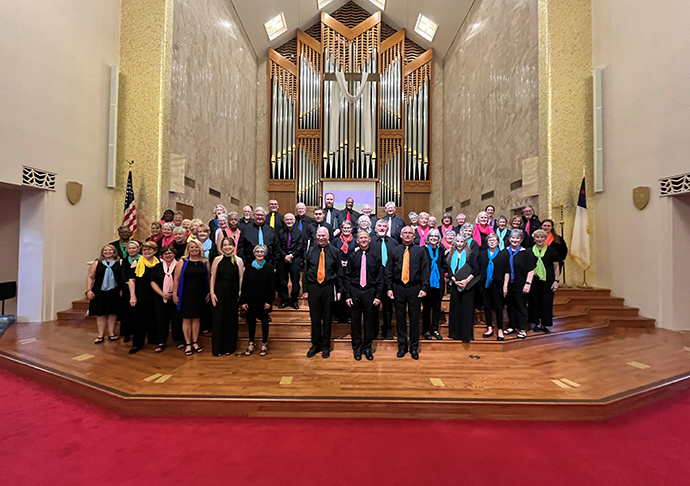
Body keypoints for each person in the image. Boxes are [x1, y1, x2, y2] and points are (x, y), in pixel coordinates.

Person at [384, 226, 430, 359]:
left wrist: (424, 288)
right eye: (405, 233)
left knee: (414, 318)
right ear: (401, 235)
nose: (408, 235)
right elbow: (389, 271)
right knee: (400, 318)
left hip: (415, 288)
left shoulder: (421, 251)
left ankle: (414, 347)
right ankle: (402, 345)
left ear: (414, 236)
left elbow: (425, 271)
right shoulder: (394, 251)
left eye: (410, 233)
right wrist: (389, 288)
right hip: (398, 287)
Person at [303, 227, 343, 359]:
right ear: (316, 236)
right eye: (319, 235)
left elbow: (339, 273)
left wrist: (339, 290)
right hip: (314, 287)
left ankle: (325, 345)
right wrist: (305, 289)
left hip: (328, 287)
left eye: (323, 235)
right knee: (315, 318)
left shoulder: (335, 252)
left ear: (328, 236)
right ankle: (316, 344)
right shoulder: (311, 251)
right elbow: (306, 271)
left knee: (327, 318)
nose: (321, 238)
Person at [343, 231, 383, 361]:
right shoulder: (352, 256)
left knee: (369, 322)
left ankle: (367, 348)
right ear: (358, 241)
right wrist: (348, 295)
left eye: (366, 237)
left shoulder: (376, 256)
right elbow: (347, 276)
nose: (364, 240)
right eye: (361, 238)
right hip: (355, 291)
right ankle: (357, 349)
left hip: (370, 292)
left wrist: (378, 296)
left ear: (370, 239)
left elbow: (380, 278)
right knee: (355, 322)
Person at [173, 239, 210, 355]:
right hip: (185, 294)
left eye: (196, 247)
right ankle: (188, 343)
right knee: (187, 319)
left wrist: (208, 292)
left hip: (199, 294)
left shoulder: (205, 262)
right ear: (188, 249)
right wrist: (174, 294)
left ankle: (195, 342)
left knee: (196, 319)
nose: (194, 249)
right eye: (191, 247)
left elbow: (208, 278)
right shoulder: (182, 262)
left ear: (200, 249)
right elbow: (176, 279)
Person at [210, 237, 244, 356]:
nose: (227, 247)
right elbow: (213, 277)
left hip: (232, 292)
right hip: (219, 291)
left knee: (231, 319)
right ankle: (218, 348)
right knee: (218, 319)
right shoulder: (217, 260)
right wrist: (212, 293)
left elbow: (240, 277)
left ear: (234, 247)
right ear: (221, 247)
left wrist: (240, 293)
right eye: (224, 245)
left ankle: (229, 347)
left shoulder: (239, 260)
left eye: (229, 245)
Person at [239, 244, 274, 356]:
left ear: (265, 254)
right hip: (250, 301)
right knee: (251, 323)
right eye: (257, 251)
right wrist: (243, 301)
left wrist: (269, 301)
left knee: (264, 323)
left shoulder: (269, 268)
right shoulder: (248, 268)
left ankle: (264, 344)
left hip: (264, 302)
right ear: (254, 254)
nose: (259, 254)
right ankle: (251, 343)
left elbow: (272, 287)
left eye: (262, 252)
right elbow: (244, 285)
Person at [127, 241, 160, 354]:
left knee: (153, 318)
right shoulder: (136, 263)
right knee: (138, 320)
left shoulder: (158, 263)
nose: (146, 252)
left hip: (155, 295)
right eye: (144, 250)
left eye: (149, 249)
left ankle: (153, 338)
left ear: (155, 251)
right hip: (140, 295)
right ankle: (137, 343)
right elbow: (131, 280)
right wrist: (132, 296)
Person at [504, 229, 537, 339]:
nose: (514, 240)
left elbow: (531, 270)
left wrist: (528, 283)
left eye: (517, 238)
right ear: (509, 239)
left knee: (521, 306)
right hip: (508, 284)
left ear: (521, 240)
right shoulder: (505, 252)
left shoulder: (526, 253)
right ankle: (512, 326)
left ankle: (522, 328)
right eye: (513, 238)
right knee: (510, 306)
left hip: (521, 284)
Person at [447, 234, 479, 343]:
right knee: (455, 310)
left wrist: (466, 281)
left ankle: (466, 335)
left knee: (466, 311)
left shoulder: (470, 255)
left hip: (468, 287)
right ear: (454, 243)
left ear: (465, 243)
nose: (460, 244)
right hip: (455, 286)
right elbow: (449, 271)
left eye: (462, 241)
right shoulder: (451, 255)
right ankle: (455, 334)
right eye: (458, 241)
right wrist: (455, 281)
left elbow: (476, 270)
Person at [150, 245, 183, 352]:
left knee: (176, 319)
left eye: (170, 253)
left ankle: (178, 340)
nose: (168, 255)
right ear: (162, 255)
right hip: (160, 297)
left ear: (174, 254)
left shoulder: (179, 265)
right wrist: (162, 294)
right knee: (161, 319)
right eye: (165, 253)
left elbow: (181, 281)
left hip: (176, 296)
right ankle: (161, 341)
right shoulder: (157, 267)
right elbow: (153, 281)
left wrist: (174, 293)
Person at [86, 244, 121, 343]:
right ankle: (100, 334)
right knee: (100, 313)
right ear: (102, 252)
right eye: (105, 250)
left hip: (115, 291)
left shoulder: (120, 262)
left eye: (110, 250)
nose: (107, 252)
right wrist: (89, 290)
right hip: (99, 291)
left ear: (114, 252)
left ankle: (111, 333)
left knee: (113, 312)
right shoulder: (97, 263)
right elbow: (90, 277)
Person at [478, 233, 510, 341]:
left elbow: (507, 271)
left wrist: (505, 286)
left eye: (494, 240)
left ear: (498, 242)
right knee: (487, 307)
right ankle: (489, 328)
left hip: (498, 285)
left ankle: (500, 330)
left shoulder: (503, 255)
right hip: (485, 285)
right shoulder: (482, 254)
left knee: (498, 308)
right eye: (490, 240)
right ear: (487, 242)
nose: (492, 242)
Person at [528, 229, 560, 334]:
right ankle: (535, 323)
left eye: (542, 237)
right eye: (537, 237)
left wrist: (556, 281)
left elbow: (556, 267)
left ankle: (544, 324)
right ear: (534, 238)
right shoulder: (529, 251)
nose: (540, 239)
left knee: (547, 302)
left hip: (548, 280)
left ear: (545, 238)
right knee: (534, 302)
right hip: (534, 280)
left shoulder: (552, 251)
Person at [371, 219, 399, 340]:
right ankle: (374, 329)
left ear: (387, 229)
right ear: (375, 228)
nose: (382, 228)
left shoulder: (394, 243)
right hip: (374, 280)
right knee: (373, 307)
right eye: (380, 226)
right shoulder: (370, 242)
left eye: (384, 226)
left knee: (388, 308)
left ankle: (387, 329)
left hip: (390, 280)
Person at [422, 229, 446, 340]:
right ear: (427, 238)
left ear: (439, 238)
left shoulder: (441, 250)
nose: (433, 238)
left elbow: (444, 264)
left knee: (437, 307)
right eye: (431, 236)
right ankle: (426, 330)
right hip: (427, 282)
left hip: (439, 282)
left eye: (436, 236)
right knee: (426, 308)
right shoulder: (423, 250)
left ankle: (435, 330)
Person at [277, 213, 304, 309]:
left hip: (295, 259)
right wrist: (285, 256)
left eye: (291, 219)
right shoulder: (280, 232)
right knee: (283, 282)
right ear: (284, 221)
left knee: (295, 281)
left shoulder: (299, 233)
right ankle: (284, 301)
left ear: (294, 220)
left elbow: (300, 246)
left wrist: (291, 256)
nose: (289, 221)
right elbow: (278, 246)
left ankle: (295, 301)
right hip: (282, 259)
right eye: (287, 220)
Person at [119, 240, 140, 342]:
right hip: (128, 290)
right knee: (127, 312)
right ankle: (127, 333)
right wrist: (131, 283)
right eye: (129, 248)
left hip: (141, 289)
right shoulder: (125, 261)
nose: (131, 250)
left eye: (134, 248)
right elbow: (123, 277)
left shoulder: (143, 259)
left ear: (138, 249)